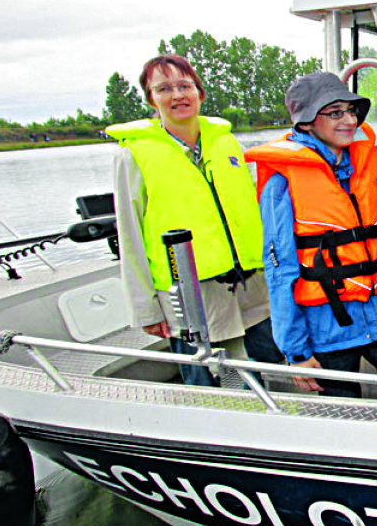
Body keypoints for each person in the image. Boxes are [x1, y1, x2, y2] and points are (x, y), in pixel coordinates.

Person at [246, 72, 377, 401]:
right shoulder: (281, 183)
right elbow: (280, 269)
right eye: (335, 112)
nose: (349, 120)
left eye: (351, 111)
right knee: (342, 416)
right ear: (306, 122)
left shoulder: (371, 164)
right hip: (329, 330)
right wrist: (295, 351)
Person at [107, 54, 281, 386]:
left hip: (251, 285)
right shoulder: (133, 157)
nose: (177, 96)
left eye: (184, 86)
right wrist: (146, 309)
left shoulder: (226, 143)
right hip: (188, 294)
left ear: (199, 93)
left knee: (268, 364)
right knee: (200, 380)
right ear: (151, 99)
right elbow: (129, 236)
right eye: (164, 88)